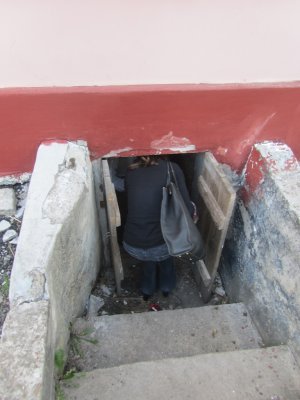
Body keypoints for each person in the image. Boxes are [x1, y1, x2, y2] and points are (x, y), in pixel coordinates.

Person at [122, 155, 195, 301]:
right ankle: (166, 288)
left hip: (132, 243)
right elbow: (187, 209)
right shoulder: (172, 169)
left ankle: (147, 290)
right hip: (161, 245)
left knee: (149, 260)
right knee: (164, 258)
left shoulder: (130, 171)